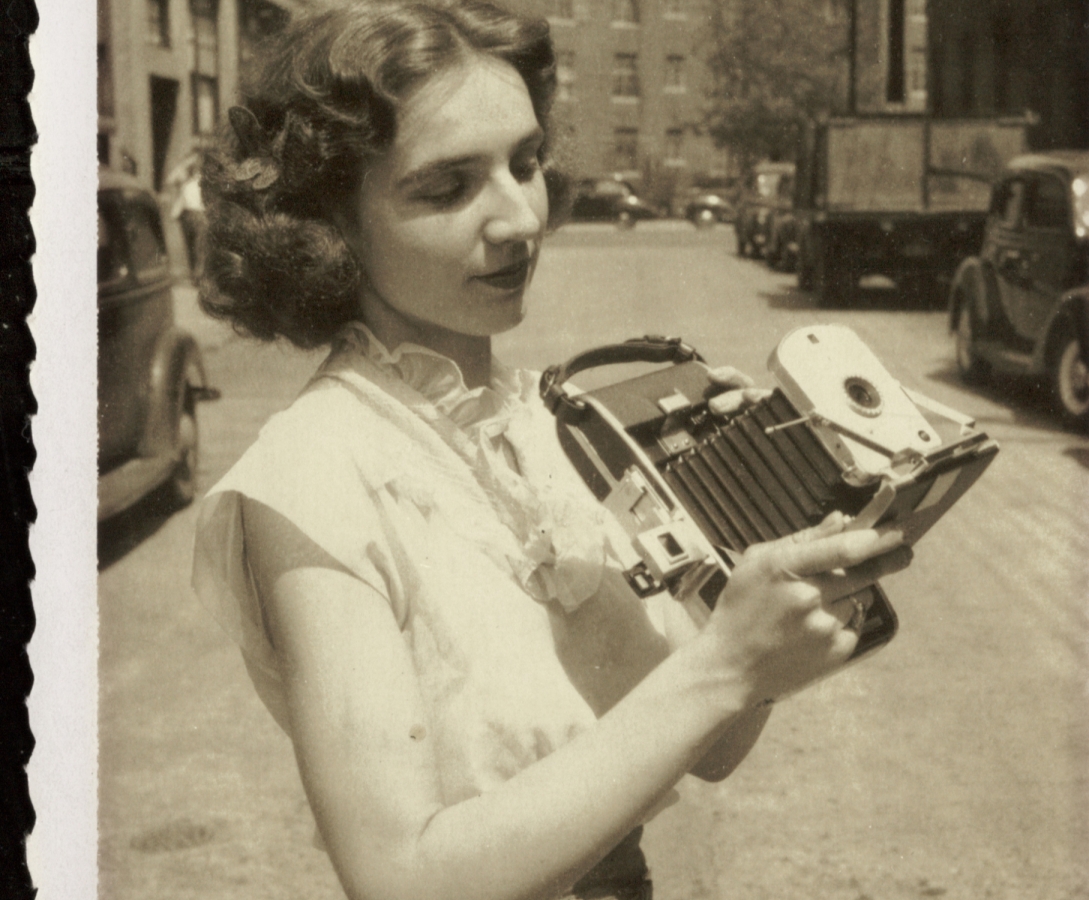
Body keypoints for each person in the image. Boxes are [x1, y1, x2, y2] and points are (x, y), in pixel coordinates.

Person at [192, 3, 912, 899]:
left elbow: (715, 744)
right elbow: (400, 878)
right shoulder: (310, 474)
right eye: (447, 187)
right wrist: (725, 665)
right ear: (328, 222)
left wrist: (774, 522)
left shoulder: (541, 427)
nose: (518, 219)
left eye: (525, 164)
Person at [167, 151, 206, 281]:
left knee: (199, 247)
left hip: (199, 215)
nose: (194, 168)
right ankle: (193, 274)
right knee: (189, 247)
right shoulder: (185, 180)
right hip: (187, 215)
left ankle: (198, 276)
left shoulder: (204, 179)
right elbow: (170, 180)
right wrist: (183, 164)